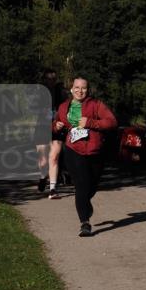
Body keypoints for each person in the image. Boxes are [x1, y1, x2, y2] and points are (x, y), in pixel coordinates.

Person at [54, 77, 117, 237]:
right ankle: (85, 223)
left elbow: (112, 122)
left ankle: (84, 203)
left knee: (91, 187)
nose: (79, 91)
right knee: (81, 185)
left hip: (95, 151)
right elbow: (55, 124)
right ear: (71, 89)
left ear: (88, 90)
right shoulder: (63, 107)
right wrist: (56, 125)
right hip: (73, 150)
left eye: (83, 88)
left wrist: (90, 122)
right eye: (76, 87)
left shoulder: (96, 105)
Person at [35, 68, 69, 199]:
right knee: (43, 161)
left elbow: (67, 107)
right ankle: (43, 177)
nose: (51, 81)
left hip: (57, 127)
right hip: (42, 127)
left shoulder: (61, 92)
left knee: (54, 157)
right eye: (49, 79)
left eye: (54, 79)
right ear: (44, 79)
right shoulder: (39, 92)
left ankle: (53, 189)